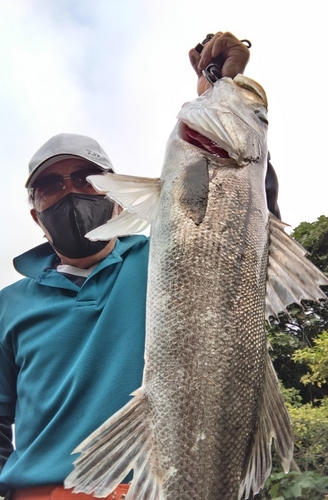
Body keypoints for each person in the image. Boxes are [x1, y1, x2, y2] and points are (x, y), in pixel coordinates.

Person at [0, 31, 280, 500]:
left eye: (86, 178)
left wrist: (220, 90)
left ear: (115, 192)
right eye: (50, 184)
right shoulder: (8, 305)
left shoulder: (168, 257)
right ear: (35, 212)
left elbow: (247, 229)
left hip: (161, 487)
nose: (69, 190)